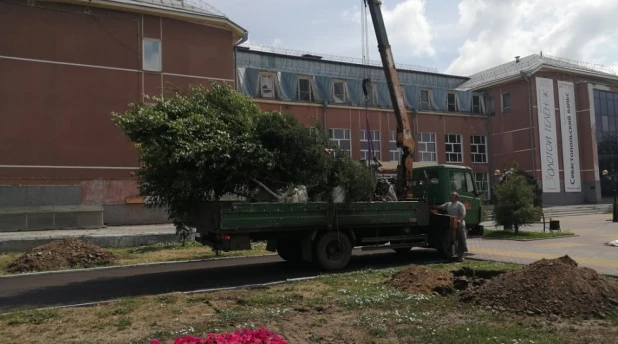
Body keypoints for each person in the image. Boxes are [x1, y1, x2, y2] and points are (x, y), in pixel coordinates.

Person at [437, 191, 468, 262]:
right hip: (452, 225)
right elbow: (440, 207)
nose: (451, 197)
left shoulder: (460, 205)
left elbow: (463, 214)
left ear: (456, 197)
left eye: (452, 196)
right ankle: (453, 255)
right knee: (452, 240)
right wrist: (432, 207)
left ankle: (461, 256)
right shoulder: (448, 204)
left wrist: (459, 220)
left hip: (460, 225)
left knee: (461, 240)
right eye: (451, 196)